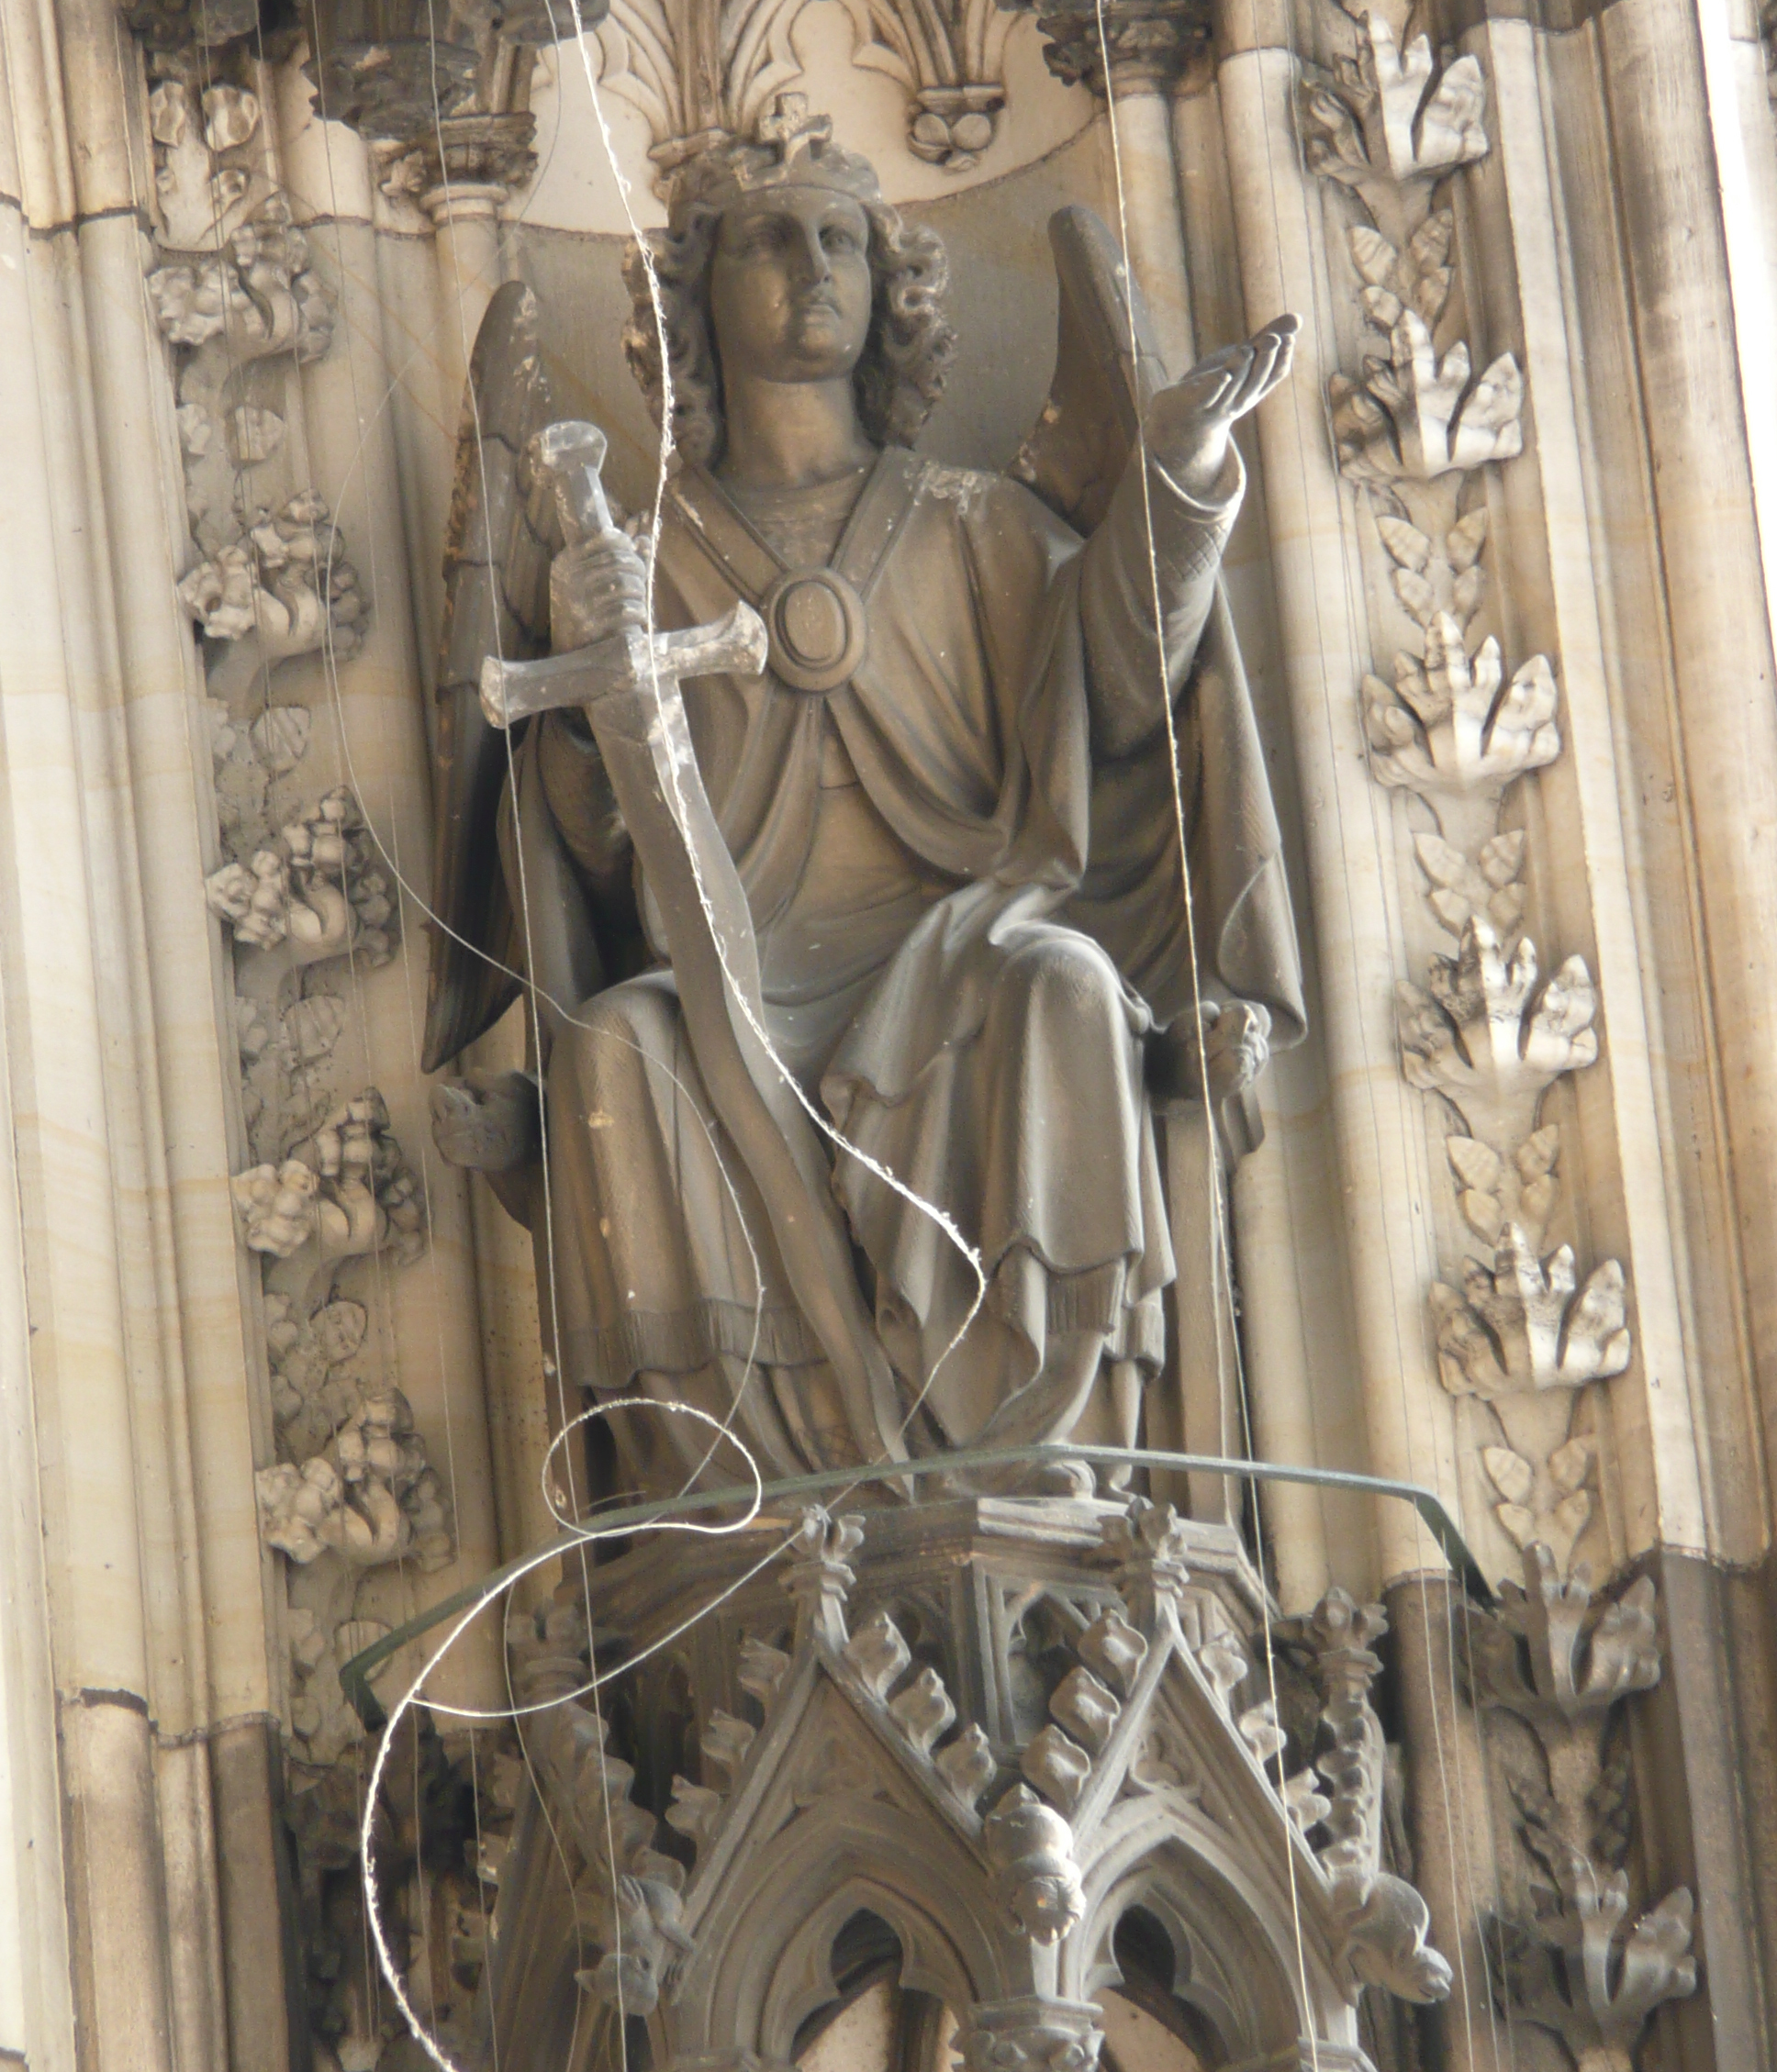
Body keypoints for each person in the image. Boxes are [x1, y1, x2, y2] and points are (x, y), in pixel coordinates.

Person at [503, 120, 1302, 1496]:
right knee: (618, 1046)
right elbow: (596, 849)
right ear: (694, 298)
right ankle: (740, 1490)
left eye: (841, 241)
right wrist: (587, 687)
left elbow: (1115, 694)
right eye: (767, 240)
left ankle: (1027, 1440)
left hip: (954, 952)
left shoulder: (969, 522)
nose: (811, 268)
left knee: (1062, 986)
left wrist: (1182, 478)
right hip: (735, 984)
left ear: (890, 289)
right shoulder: (642, 561)